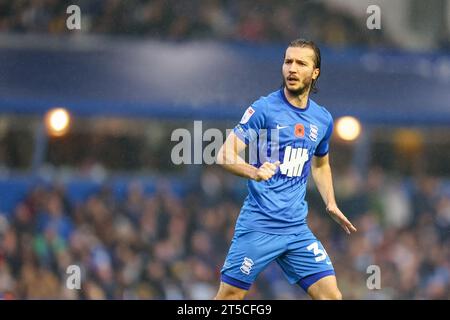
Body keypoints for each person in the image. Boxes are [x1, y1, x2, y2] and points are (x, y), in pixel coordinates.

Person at [215, 39, 357, 300]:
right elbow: (223, 154)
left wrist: (331, 202)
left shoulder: (323, 118)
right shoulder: (264, 109)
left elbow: (321, 162)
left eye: (301, 63)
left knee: (332, 297)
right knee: (230, 297)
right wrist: (253, 171)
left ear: (315, 73)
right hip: (259, 225)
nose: (292, 68)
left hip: (296, 229)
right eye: (288, 61)